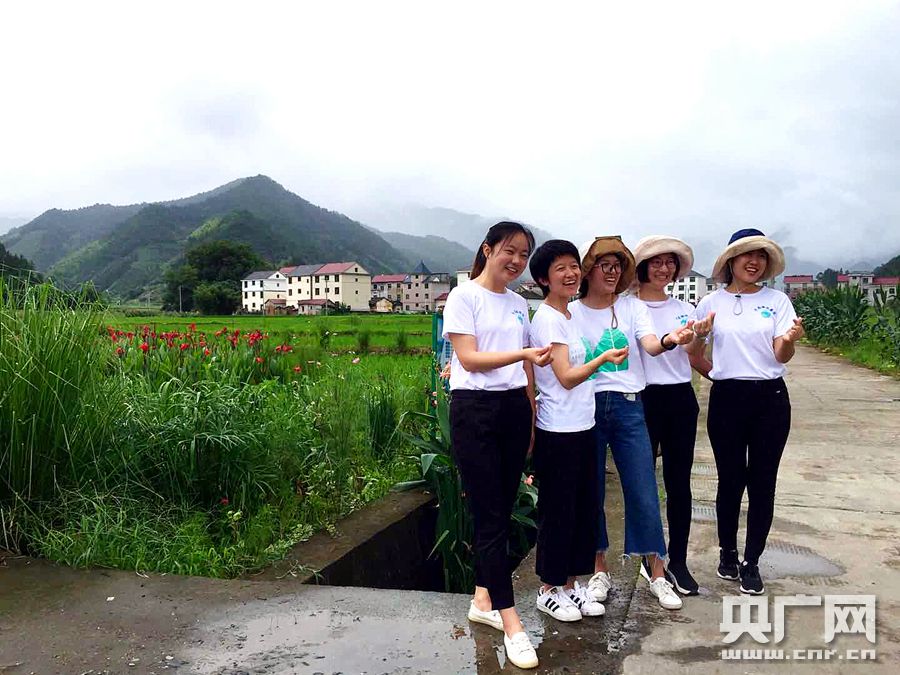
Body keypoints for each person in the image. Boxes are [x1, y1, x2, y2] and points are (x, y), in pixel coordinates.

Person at [442, 221, 550, 669]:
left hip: (513, 410)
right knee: (489, 516)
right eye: (511, 250)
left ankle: (483, 600)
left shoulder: (519, 305)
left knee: (501, 511)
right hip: (475, 412)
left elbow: (527, 372)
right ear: (488, 250)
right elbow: (468, 359)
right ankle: (512, 624)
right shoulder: (463, 296)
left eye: (524, 254)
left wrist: (531, 415)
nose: (517, 261)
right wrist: (522, 355)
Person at [569, 236, 695, 611]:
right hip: (587, 407)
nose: (612, 273)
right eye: (604, 265)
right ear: (588, 270)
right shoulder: (571, 312)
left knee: (643, 487)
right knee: (591, 489)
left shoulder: (631, 307)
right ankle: (598, 569)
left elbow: (651, 345)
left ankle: (657, 572)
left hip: (629, 405)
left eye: (618, 266)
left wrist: (672, 339)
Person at [694, 228, 804, 595]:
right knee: (730, 479)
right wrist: (720, 376)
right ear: (731, 261)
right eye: (746, 255)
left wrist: (789, 341)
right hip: (727, 400)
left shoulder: (777, 301)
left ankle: (752, 561)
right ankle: (727, 551)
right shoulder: (711, 303)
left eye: (760, 256)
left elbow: (781, 354)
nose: (753, 261)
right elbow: (694, 353)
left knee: (763, 481)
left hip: (770, 399)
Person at [527, 240, 628, 623]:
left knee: (583, 508)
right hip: (558, 430)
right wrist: (602, 359)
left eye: (574, 266)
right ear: (543, 279)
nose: (571, 274)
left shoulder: (568, 315)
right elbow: (566, 377)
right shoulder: (548, 319)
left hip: (583, 426)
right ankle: (548, 589)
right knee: (558, 511)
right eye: (561, 269)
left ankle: (570, 585)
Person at [633, 236, 714, 596]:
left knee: (679, 483)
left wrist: (700, 336)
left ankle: (678, 560)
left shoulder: (685, 308)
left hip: (680, 397)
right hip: (642, 399)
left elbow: (693, 355)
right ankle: (651, 558)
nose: (664, 269)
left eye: (670, 263)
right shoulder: (628, 307)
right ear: (642, 267)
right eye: (656, 262)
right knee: (643, 484)